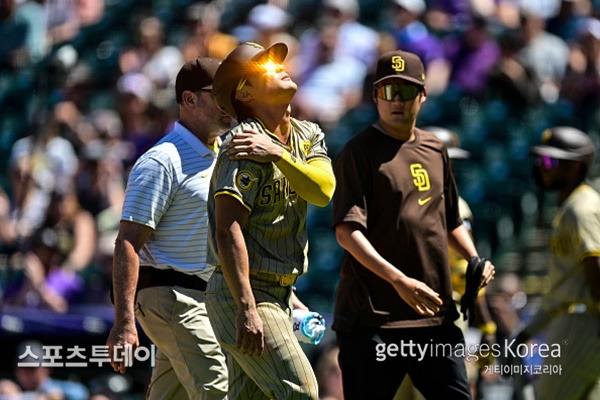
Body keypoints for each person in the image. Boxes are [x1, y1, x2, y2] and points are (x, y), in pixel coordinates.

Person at [331, 50, 495, 400]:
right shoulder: (358, 151)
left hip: (433, 319)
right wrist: (399, 280)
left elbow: (450, 220)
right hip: (373, 318)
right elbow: (347, 232)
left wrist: (473, 257)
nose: (398, 101)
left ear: (422, 95)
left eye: (406, 92)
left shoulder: (436, 149)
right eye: (389, 91)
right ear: (375, 95)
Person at [205, 41, 335, 399]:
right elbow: (227, 227)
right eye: (263, 67)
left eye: (277, 61)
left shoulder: (307, 134)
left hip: (277, 292)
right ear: (244, 92)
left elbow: (323, 190)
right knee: (302, 392)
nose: (278, 67)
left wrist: (278, 154)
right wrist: (246, 307)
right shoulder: (243, 143)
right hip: (245, 294)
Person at [106, 57, 230, 400]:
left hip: (206, 297)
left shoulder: (225, 155)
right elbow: (127, 243)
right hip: (172, 296)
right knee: (220, 389)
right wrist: (124, 321)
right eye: (218, 93)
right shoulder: (162, 160)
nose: (229, 102)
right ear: (189, 100)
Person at [515, 126, 600, 399]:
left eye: (551, 160)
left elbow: (596, 271)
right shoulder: (574, 206)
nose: (543, 167)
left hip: (582, 324)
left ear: (575, 168)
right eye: (541, 160)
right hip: (577, 319)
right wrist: (529, 331)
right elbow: (559, 292)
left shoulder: (582, 208)